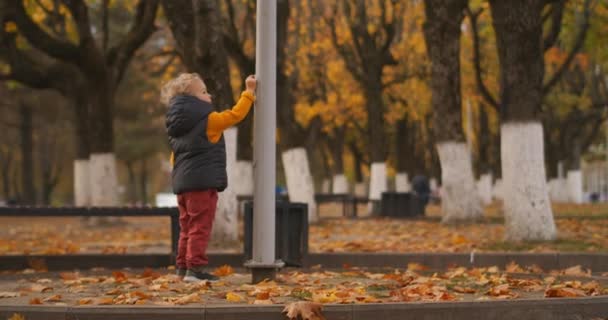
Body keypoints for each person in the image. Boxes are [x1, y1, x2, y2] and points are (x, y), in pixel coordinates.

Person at [162, 73, 256, 282]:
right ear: (193, 100)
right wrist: (248, 92)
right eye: (204, 92)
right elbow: (234, 115)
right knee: (200, 226)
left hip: (183, 186)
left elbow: (173, 158)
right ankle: (195, 269)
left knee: (186, 226)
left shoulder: (177, 127)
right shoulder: (209, 121)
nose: (209, 95)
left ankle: (182, 267)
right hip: (201, 185)